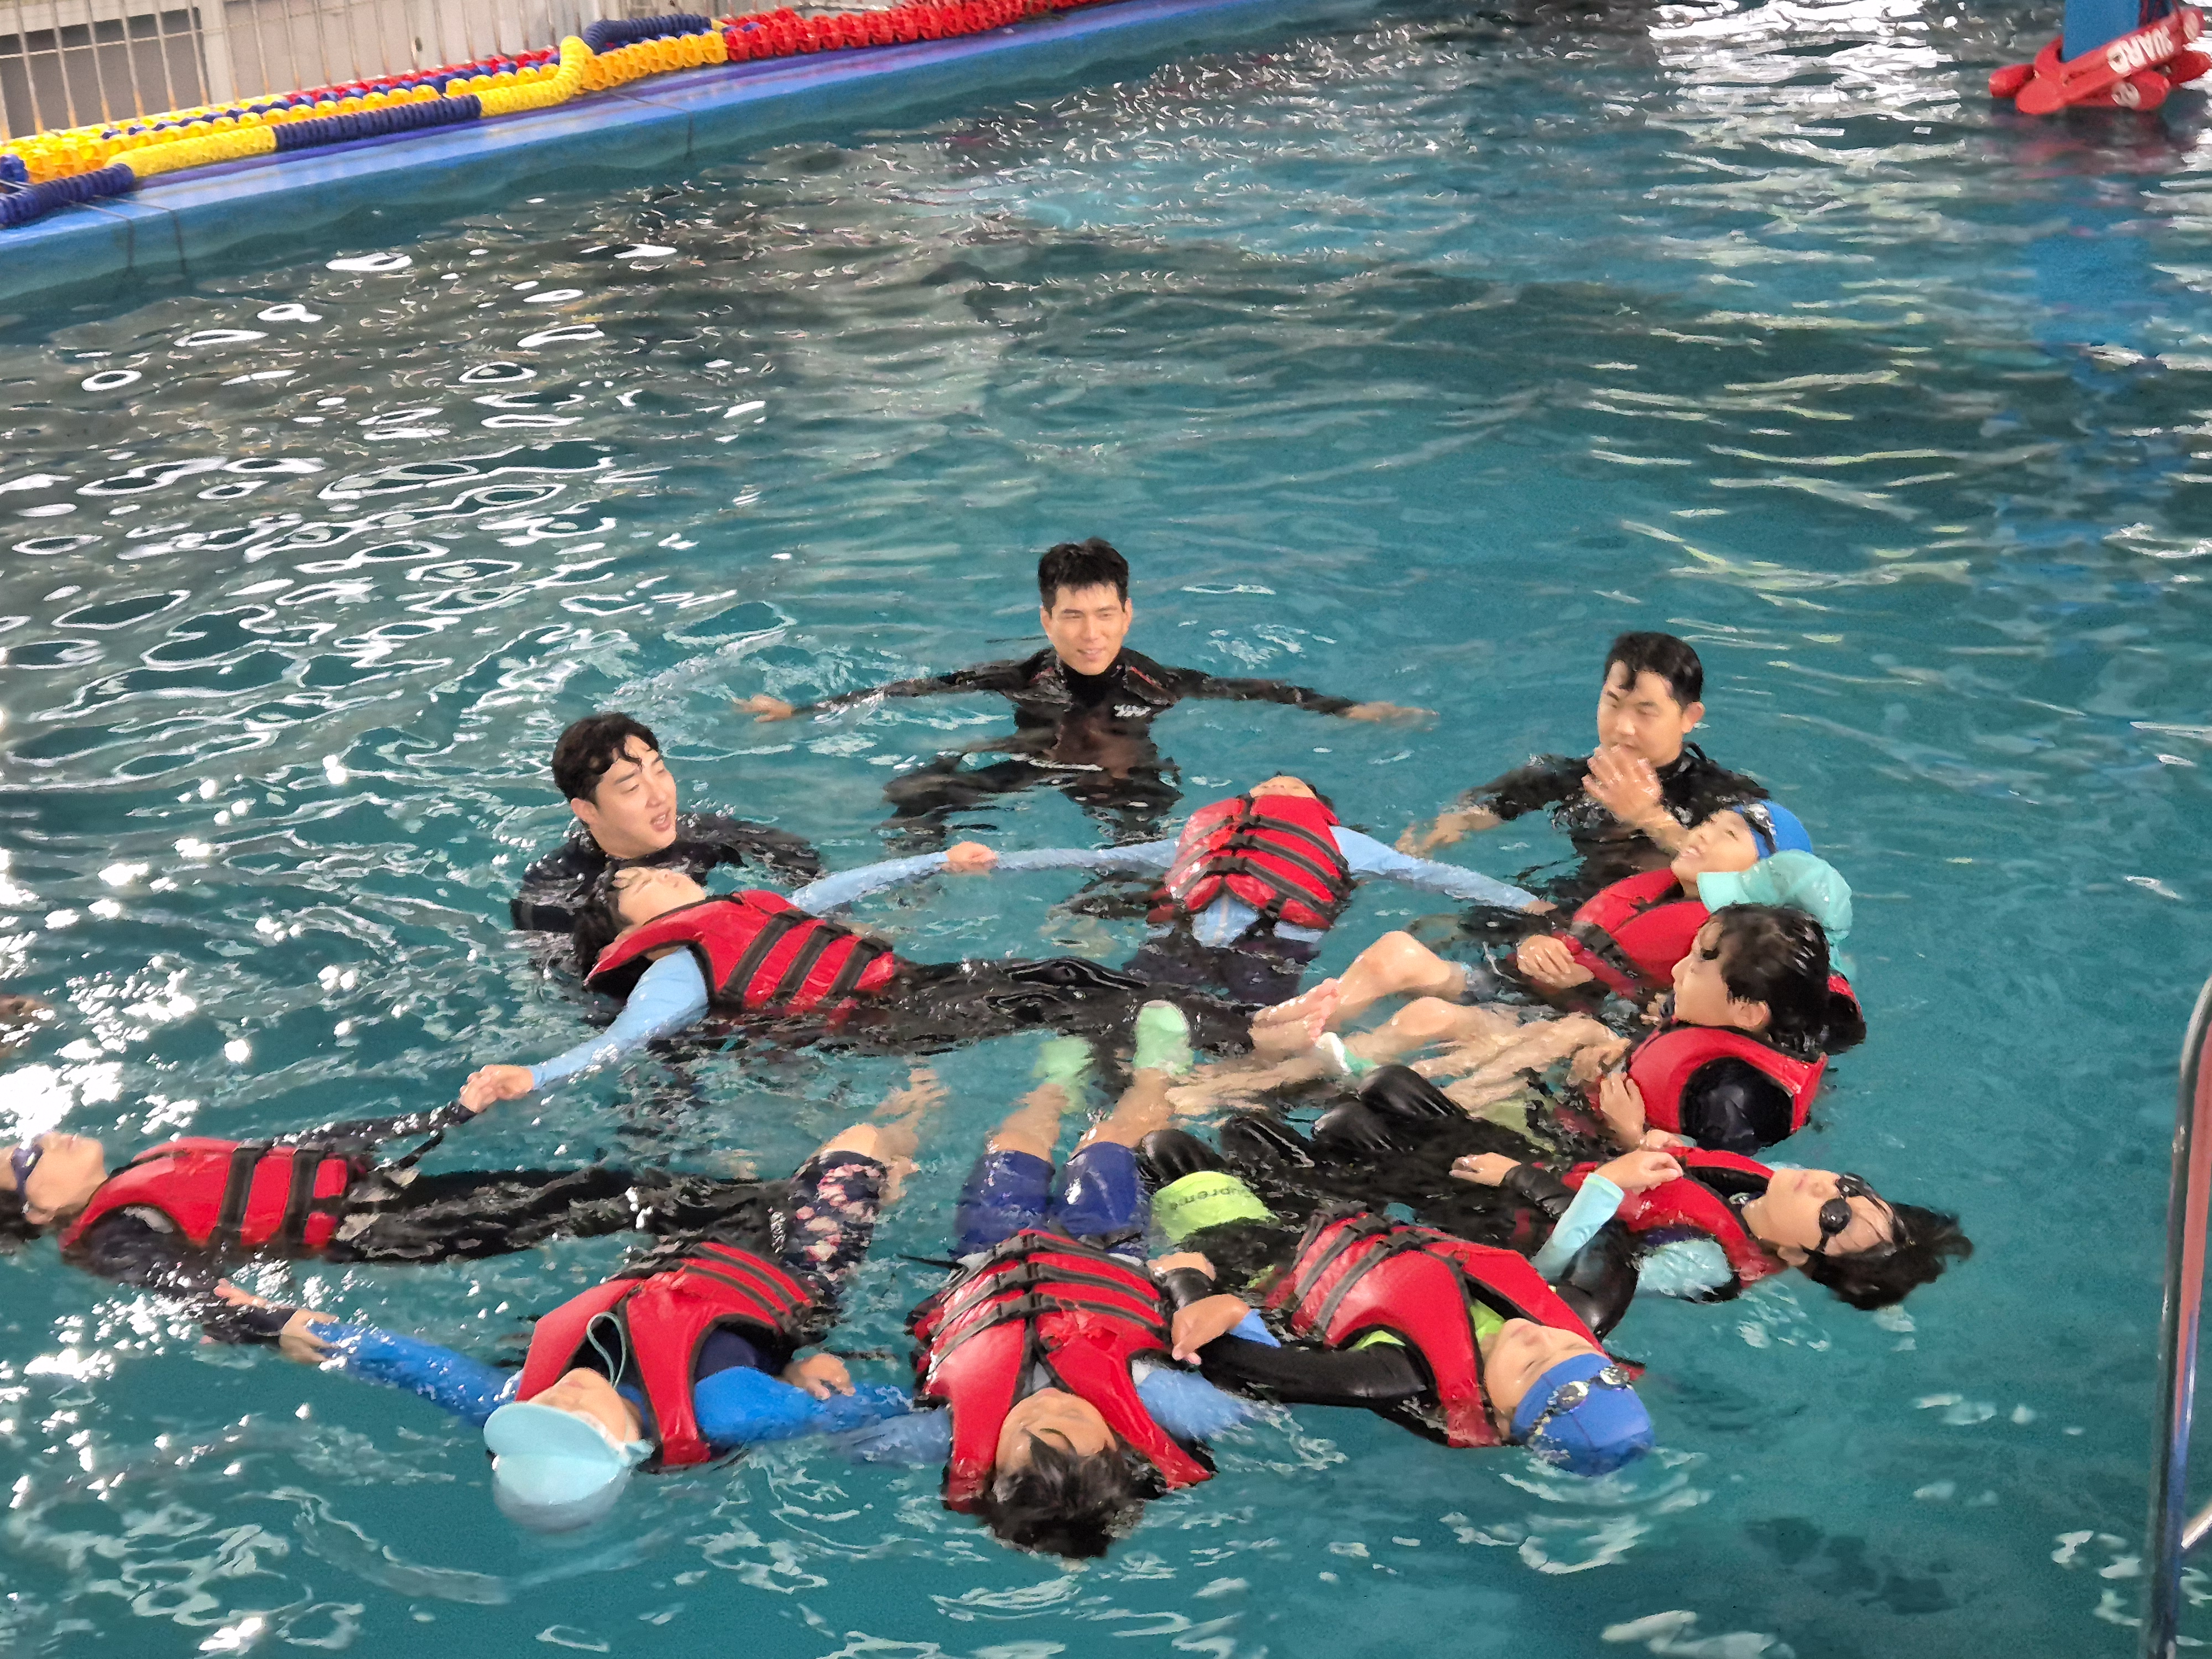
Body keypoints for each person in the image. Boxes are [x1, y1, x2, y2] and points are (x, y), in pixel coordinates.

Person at [231, 1076, 941, 1532]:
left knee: (684, 1140)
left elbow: (395, 1360)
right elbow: (874, 1412)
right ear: (626, 1451)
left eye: (537, 1417)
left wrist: (259, 1320)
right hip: (791, 1274)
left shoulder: (513, 1398)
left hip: (679, 1263)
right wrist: (816, 1377)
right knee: (862, 1147)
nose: (559, 1402)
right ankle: (922, 1098)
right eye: (576, 1427)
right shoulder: (727, 1412)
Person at [840, 1009, 1262, 1558]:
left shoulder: (945, 1434)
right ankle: (1155, 1074)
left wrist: (810, 1382)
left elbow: (840, 1434)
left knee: (1013, 1142)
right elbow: (1264, 1385)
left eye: (1027, 1427)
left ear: (991, 1469)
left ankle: (1056, 1083)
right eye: (1074, 1416)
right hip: (1106, 1248)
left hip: (988, 1257)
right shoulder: (1167, 1402)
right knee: (1110, 1140)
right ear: (1119, 1446)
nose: (1048, 1406)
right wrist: (1231, 1311)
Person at [741, 539, 1428, 847]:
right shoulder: (1023, 675)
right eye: (1072, 616)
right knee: (912, 794)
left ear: (1127, 615)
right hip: (1034, 765)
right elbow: (914, 688)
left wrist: (1350, 709)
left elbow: (1258, 690)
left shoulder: (1156, 682)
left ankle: (1113, 904)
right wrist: (799, 710)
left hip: (1123, 779)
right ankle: (916, 883)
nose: (1090, 634)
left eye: (1104, 615)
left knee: (1139, 850)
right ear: (1047, 620)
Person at [460, 862, 1251, 1110]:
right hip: (877, 1022)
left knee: (1070, 983)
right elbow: (627, 1038)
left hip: (908, 989)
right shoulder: (676, 966)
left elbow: (844, 888)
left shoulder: (744, 909)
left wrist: (939, 862)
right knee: (1060, 989)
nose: (662, 875)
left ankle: (1180, 1067)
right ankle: (1234, 1044)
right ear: (627, 934)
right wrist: (535, 1075)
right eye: (639, 885)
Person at [1126, 1124, 1656, 1477]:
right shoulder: (1584, 1309)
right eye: (1572, 1348)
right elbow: (1607, 1241)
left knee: (1166, 1149)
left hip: (1264, 1263)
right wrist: (1519, 1175)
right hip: (1355, 1222)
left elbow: (1239, 1363)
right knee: (1258, 1130)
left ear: (1498, 1421)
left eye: (1531, 1365)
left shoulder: (1394, 1372)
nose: (1541, 1338)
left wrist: (1190, 1282)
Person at [0, 1104, 776, 1333]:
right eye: (27, 1158)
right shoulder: (113, 1233)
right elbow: (185, 1286)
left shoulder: (143, 1170)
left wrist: (437, 1117)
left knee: (595, 1195)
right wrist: (263, 1322)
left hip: (379, 1198)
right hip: (385, 1230)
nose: (47, 1138)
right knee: (601, 1197)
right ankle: (769, 1216)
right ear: (37, 1209)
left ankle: (739, 1224)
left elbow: (291, 1154)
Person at [850, 775, 1547, 1006]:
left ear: (1319, 813)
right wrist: (997, 861)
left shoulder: (1344, 844)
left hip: (1269, 951)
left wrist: (1528, 906)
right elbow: (1091, 857)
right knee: (1125, 1012)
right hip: (1182, 944)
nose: (1277, 786)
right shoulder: (1194, 840)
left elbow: (1437, 875)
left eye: (1293, 787)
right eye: (1267, 784)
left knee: (1233, 1027)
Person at [1287, 802, 1843, 1024]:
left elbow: (1667, 1018)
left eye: (1729, 835)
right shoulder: (1655, 889)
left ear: (1764, 874)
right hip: (1518, 983)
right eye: (1709, 822)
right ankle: (1299, 1036)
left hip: (1559, 1021)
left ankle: (1299, 1075)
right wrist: (1537, 945)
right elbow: (1584, 933)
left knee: (1425, 1017)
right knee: (1393, 953)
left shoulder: (1727, 947)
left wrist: (1595, 986)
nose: (1701, 834)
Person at [1401, 632, 1767, 902]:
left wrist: (1650, 818)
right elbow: (1485, 808)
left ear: (1690, 717)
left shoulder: (1728, 801)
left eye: (1645, 712)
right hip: (1569, 907)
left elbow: (1752, 886)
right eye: (1613, 704)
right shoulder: (1567, 777)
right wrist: (1447, 827)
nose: (1623, 727)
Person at [1449, 1146, 1970, 1313]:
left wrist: (1523, 1178)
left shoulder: (1703, 1263)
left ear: (1795, 1254)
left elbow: (1554, 1279)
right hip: (1543, 1178)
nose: (1824, 1186)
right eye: (1851, 1187)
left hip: (1501, 1223)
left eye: (1833, 1217)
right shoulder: (1774, 1183)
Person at [511, 712, 822, 934]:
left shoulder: (699, 833)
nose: (660, 796)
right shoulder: (558, 895)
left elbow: (797, 857)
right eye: (632, 787)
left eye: (659, 771)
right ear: (587, 811)